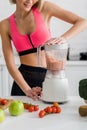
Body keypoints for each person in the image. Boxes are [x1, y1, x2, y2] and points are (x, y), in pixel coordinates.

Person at [0, 0, 87, 100]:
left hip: (50, 77)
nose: (30, 1)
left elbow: (82, 22)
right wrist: (27, 90)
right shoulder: (5, 25)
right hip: (22, 83)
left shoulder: (45, 8)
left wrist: (63, 38)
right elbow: (10, 64)